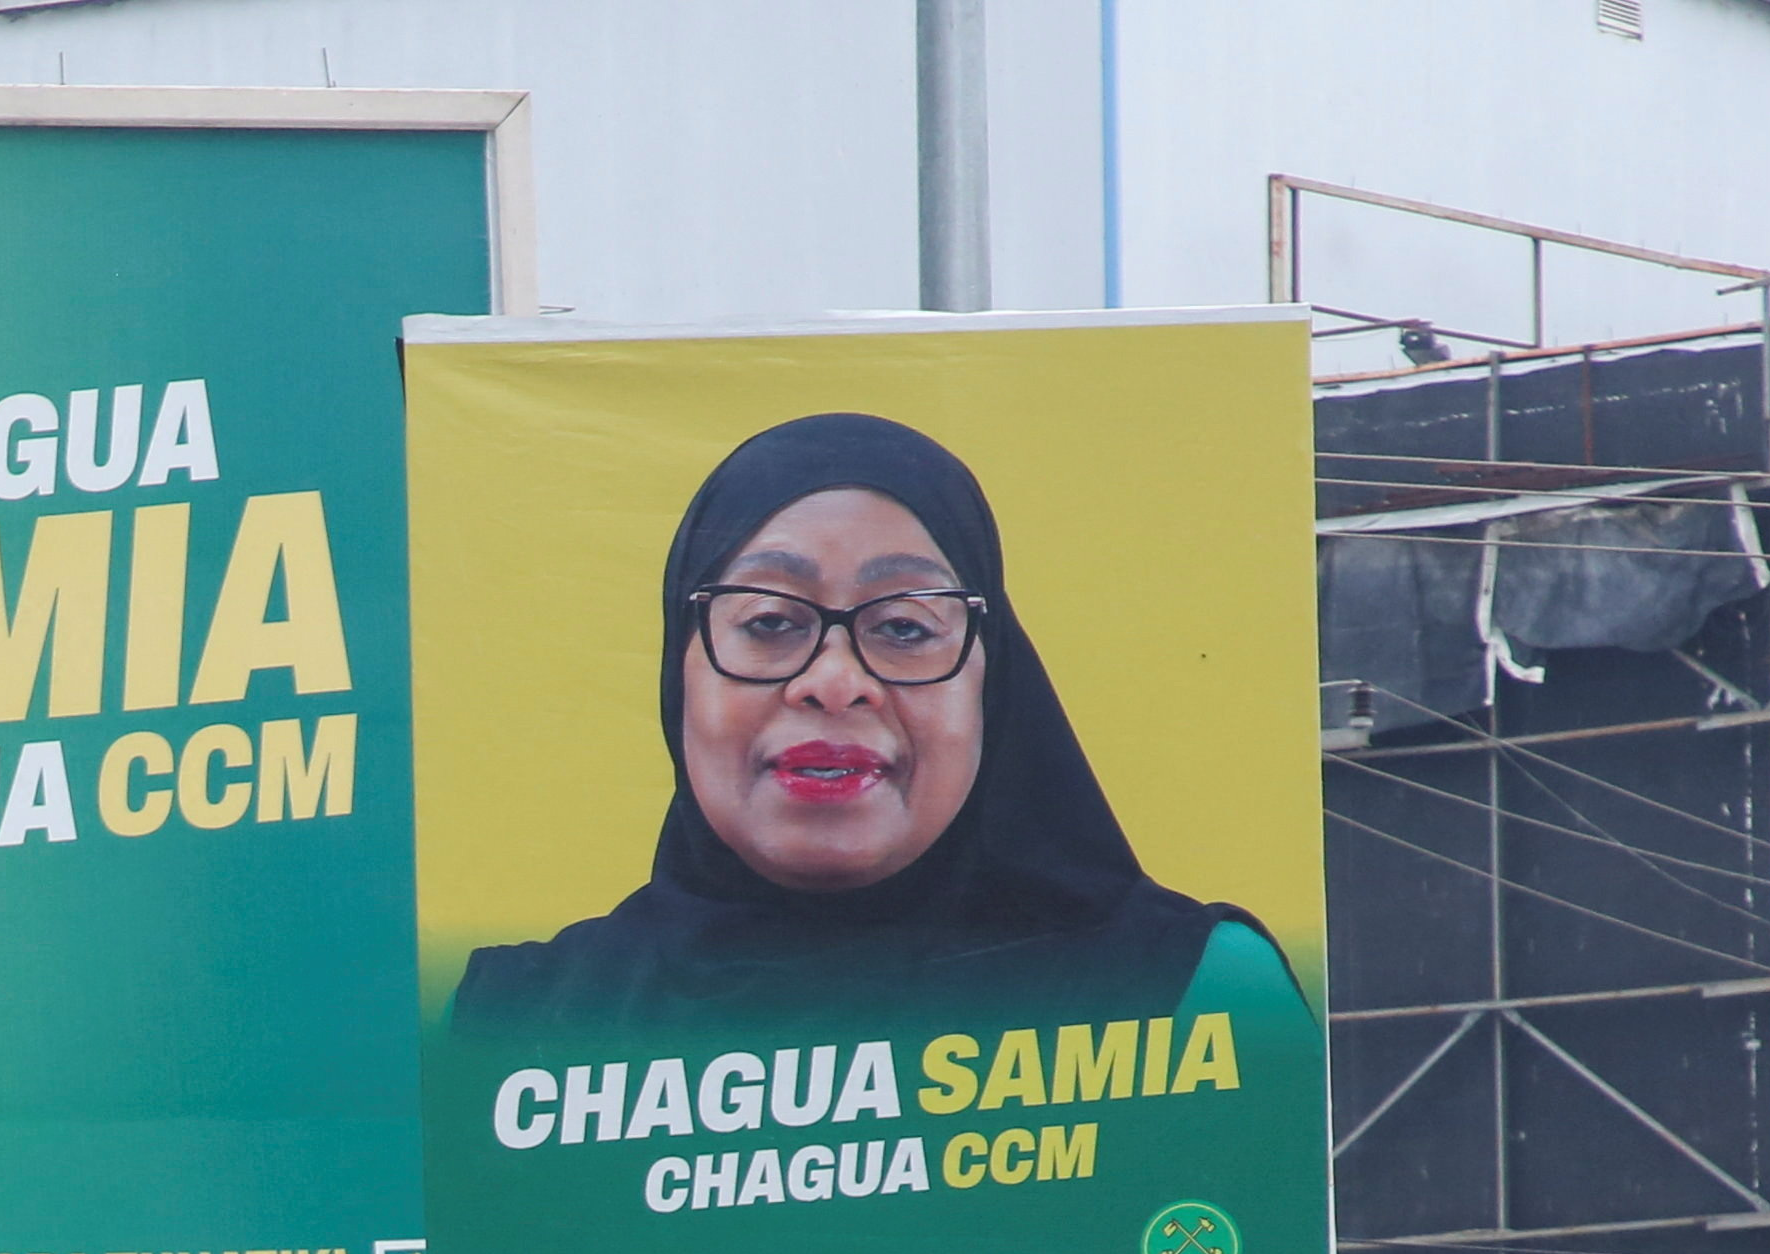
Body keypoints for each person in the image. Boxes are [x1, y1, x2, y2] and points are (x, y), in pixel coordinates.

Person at [448, 411, 1319, 1074]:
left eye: (903, 627)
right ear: (682, 675)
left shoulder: (1191, 996)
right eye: (769, 621)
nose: (833, 679)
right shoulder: (517, 1022)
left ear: (993, 680)